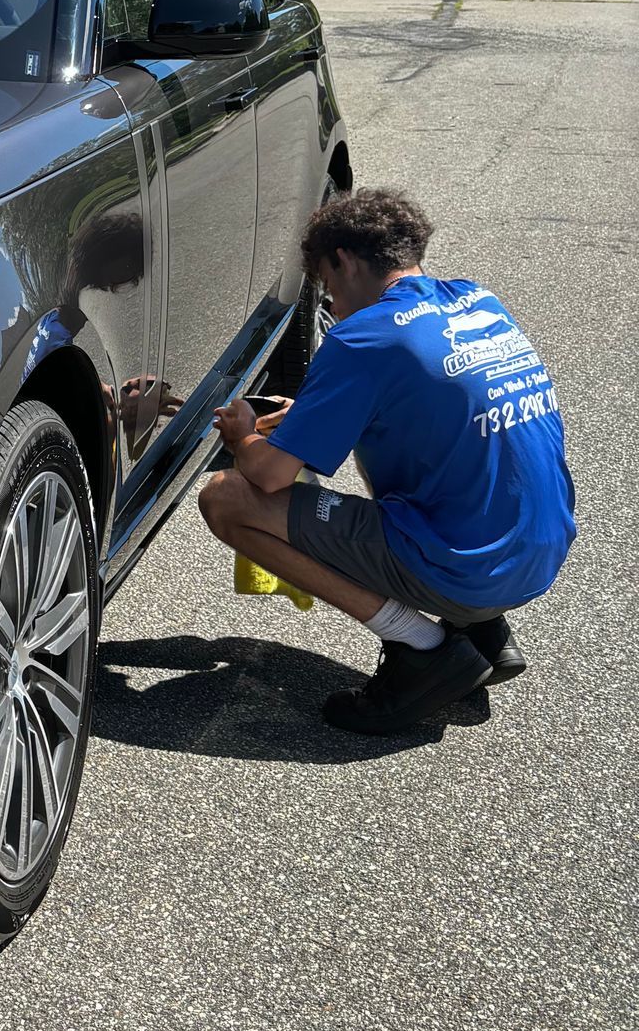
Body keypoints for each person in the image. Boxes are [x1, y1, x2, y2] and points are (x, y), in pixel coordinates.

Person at [197, 187, 576, 734]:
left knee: (226, 498)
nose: (330, 302)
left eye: (326, 284)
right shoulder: (478, 301)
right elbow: (432, 396)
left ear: (343, 260)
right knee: (444, 449)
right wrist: (307, 413)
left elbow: (270, 474)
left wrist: (242, 437)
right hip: (539, 552)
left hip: (468, 569)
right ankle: (484, 630)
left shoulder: (362, 339)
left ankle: (424, 647)